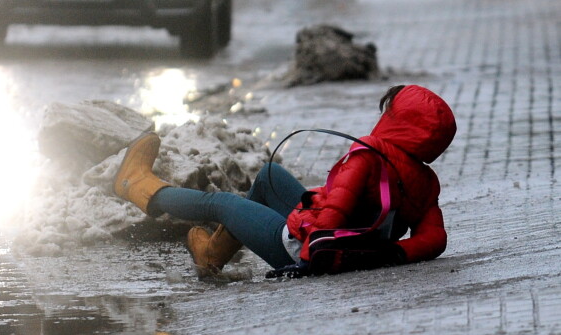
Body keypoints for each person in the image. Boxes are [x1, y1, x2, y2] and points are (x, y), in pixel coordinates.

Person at [113, 85, 457, 278]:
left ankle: (137, 185)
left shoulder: (369, 153)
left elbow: (336, 211)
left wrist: (311, 256)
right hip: (336, 245)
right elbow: (434, 238)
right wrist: (392, 253)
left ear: (396, 121)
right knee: (268, 176)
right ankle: (212, 254)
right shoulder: (427, 182)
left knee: (219, 204)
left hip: (299, 246)